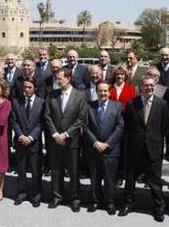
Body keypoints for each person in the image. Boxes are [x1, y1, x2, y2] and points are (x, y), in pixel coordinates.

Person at [118, 76, 168, 222]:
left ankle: (159, 208)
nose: (149, 88)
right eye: (146, 85)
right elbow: (127, 126)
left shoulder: (162, 104)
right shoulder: (131, 104)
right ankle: (128, 204)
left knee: (154, 181)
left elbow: (164, 127)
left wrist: (156, 141)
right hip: (135, 148)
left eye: (152, 85)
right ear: (140, 87)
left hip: (153, 148)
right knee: (130, 179)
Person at [44, 68, 87, 213]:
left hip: (71, 141)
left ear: (68, 79)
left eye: (60, 78)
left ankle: (75, 198)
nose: (57, 81)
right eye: (56, 79)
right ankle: (57, 196)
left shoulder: (80, 96)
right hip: (55, 140)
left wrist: (66, 134)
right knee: (56, 170)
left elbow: (81, 119)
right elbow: (47, 116)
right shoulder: (52, 95)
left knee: (73, 171)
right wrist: (55, 134)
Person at [85, 80, 124, 214]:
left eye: (105, 90)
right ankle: (96, 201)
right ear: (96, 92)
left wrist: (107, 143)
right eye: (100, 91)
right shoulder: (89, 106)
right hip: (94, 148)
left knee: (109, 178)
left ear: (110, 91)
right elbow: (85, 127)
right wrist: (95, 142)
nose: (103, 93)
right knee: (95, 178)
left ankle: (110, 203)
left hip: (110, 149)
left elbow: (120, 127)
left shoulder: (117, 106)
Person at [11, 77, 45, 207]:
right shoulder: (15, 102)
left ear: (35, 88)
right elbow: (13, 121)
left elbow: (42, 123)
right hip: (20, 141)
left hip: (34, 142)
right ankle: (22, 193)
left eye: (29, 87)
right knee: (21, 168)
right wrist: (20, 136)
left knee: (36, 170)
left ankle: (36, 194)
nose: (26, 89)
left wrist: (31, 137)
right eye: (24, 87)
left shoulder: (42, 102)